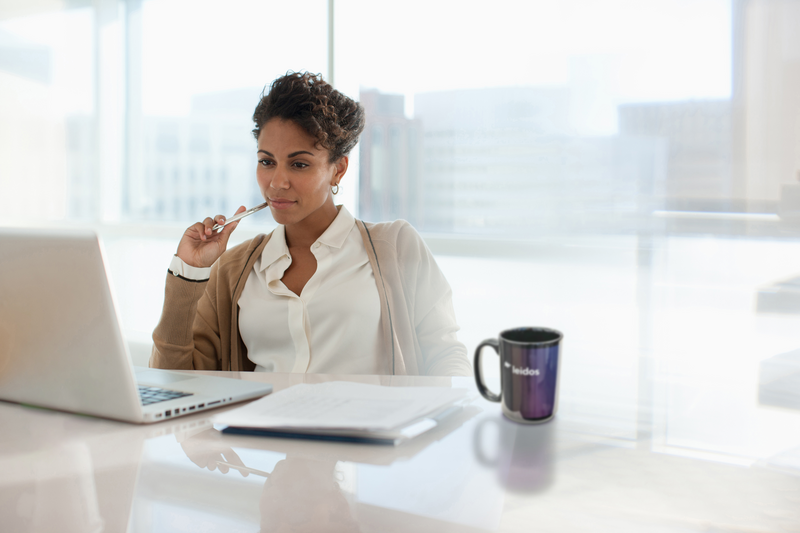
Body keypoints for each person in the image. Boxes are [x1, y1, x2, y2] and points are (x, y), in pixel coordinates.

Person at [149, 71, 470, 376]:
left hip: (365, 432)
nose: (277, 182)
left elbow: (445, 356)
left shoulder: (396, 246)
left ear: (338, 170)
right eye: (266, 162)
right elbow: (175, 383)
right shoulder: (234, 270)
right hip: (258, 434)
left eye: (299, 164)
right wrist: (190, 271)